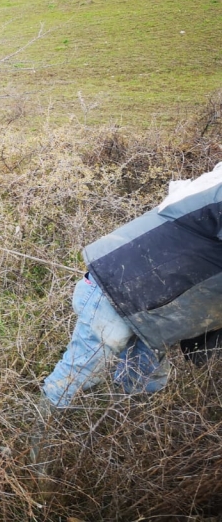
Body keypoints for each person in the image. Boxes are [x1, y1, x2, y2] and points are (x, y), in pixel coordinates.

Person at [41, 161, 222, 409]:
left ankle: (124, 429)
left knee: (145, 381)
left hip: (157, 308)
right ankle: (37, 435)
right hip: (115, 290)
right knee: (81, 372)